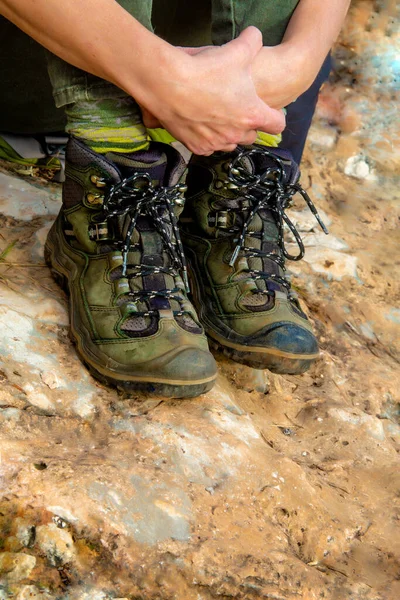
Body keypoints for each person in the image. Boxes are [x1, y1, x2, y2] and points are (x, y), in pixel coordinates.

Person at [0, 0, 350, 398]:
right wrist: (161, 78)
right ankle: (108, 197)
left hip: (214, 71)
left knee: (254, 146)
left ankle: (221, 217)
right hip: (55, 53)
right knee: (121, 125)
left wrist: (293, 64)